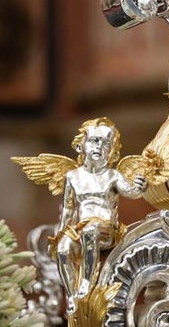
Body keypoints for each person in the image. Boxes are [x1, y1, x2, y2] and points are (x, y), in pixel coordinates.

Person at [56, 118, 147, 308]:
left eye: (106, 143)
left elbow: (130, 191)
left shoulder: (112, 176)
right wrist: (62, 233)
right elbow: (68, 209)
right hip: (80, 228)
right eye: (95, 140)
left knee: (91, 230)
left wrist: (140, 186)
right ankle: (73, 296)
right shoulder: (72, 177)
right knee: (63, 248)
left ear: (112, 150)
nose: (100, 146)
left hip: (107, 230)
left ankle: (86, 285)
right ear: (81, 146)